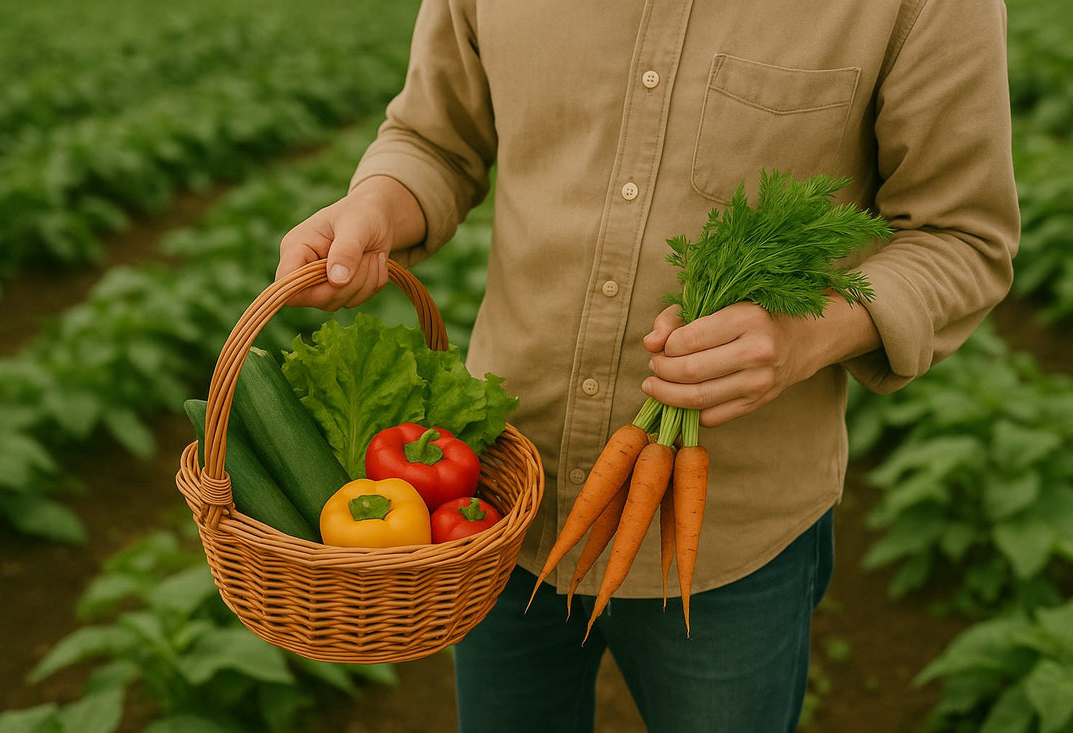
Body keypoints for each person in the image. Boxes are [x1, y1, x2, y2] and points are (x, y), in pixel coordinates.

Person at [276, 0, 1019, 730]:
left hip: (732, 541)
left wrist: (807, 335)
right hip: (493, 503)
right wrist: (378, 205)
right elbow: (436, 140)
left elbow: (962, 235)